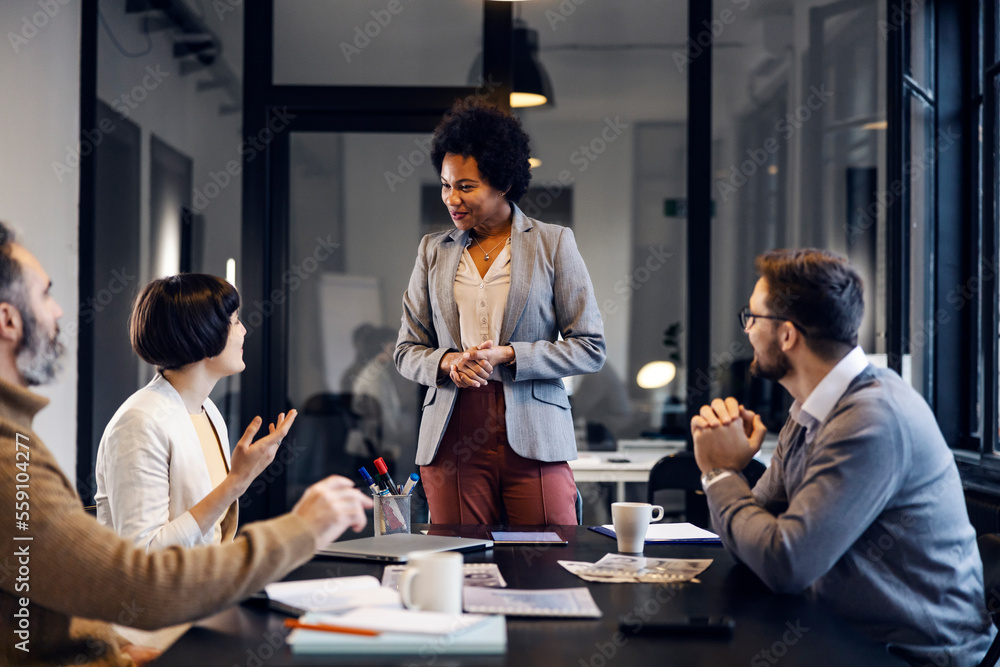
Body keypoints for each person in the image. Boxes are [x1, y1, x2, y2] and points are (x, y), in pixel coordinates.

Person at [0, 221, 372, 665]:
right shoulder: (136, 422)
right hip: (159, 625)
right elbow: (137, 572)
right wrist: (300, 528)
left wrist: (238, 480)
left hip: (190, 615)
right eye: (45, 294)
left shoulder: (207, 411)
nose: (59, 311)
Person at [691, 248, 994, 666]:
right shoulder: (809, 409)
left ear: (786, 335)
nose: (747, 331)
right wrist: (731, 472)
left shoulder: (873, 418)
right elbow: (746, 538)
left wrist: (721, 472)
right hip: (837, 638)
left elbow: (784, 562)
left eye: (752, 317)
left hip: (913, 657)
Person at [395, 98, 606, 524]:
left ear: (503, 183)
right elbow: (406, 351)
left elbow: (590, 347)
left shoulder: (552, 243)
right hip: (453, 430)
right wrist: (449, 361)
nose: (451, 199)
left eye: (466, 187)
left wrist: (511, 355)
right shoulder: (432, 251)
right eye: (445, 185)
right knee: (459, 568)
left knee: (549, 563)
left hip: (535, 432)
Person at [96, 274, 294, 550]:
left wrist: (244, 475)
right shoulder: (139, 422)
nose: (244, 330)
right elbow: (144, 552)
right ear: (206, 336)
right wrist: (237, 481)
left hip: (207, 583)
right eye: (235, 321)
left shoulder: (207, 410)